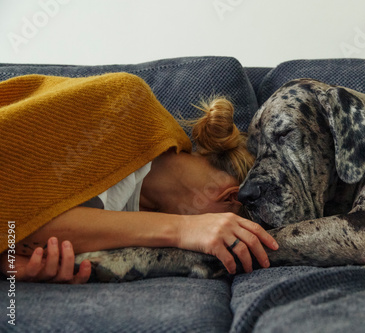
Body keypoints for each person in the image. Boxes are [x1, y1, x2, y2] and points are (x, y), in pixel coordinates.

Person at [0, 76, 278, 283]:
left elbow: (21, 227)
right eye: (231, 228)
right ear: (229, 195)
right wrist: (184, 228)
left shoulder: (138, 229)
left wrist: (11, 263)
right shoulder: (129, 102)